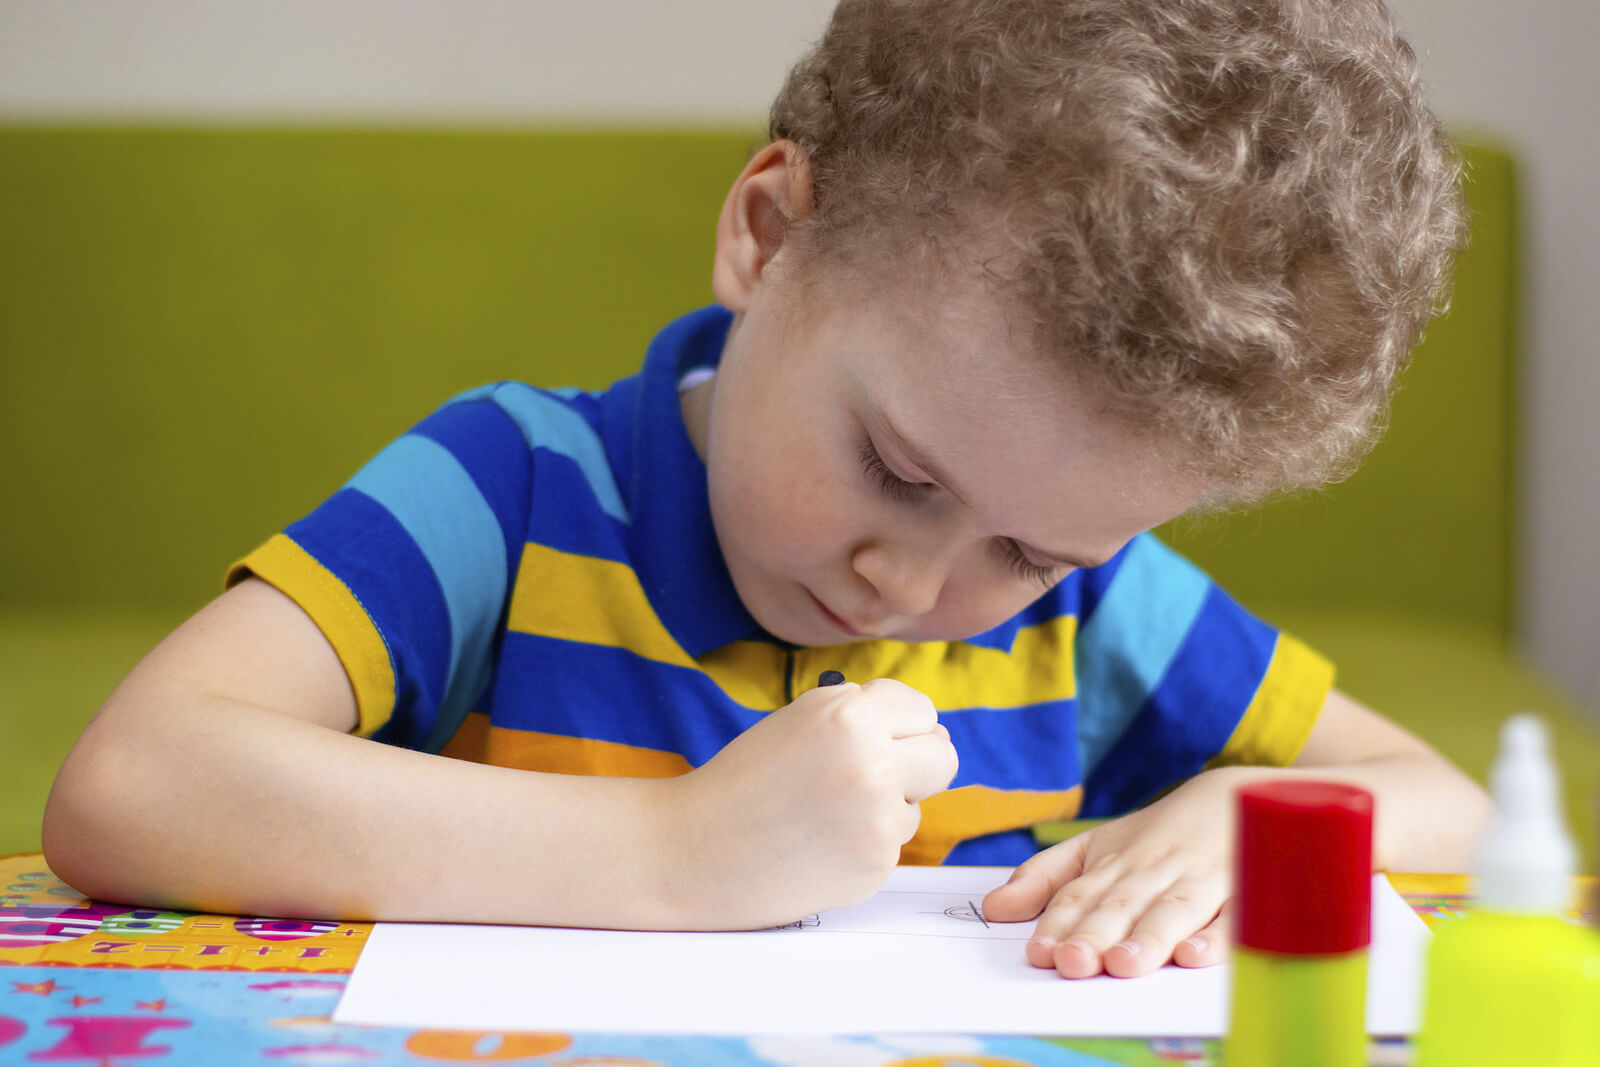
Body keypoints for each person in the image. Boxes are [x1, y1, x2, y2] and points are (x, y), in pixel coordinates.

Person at [43, 0, 1490, 980]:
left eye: (1030, 555)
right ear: (769, 232)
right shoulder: (506, 491)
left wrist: (1253, 813)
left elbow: (1454, 809)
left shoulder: (1103, 609)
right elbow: (133, 783)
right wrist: (672, 852)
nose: (909, 586)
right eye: (896, 469)